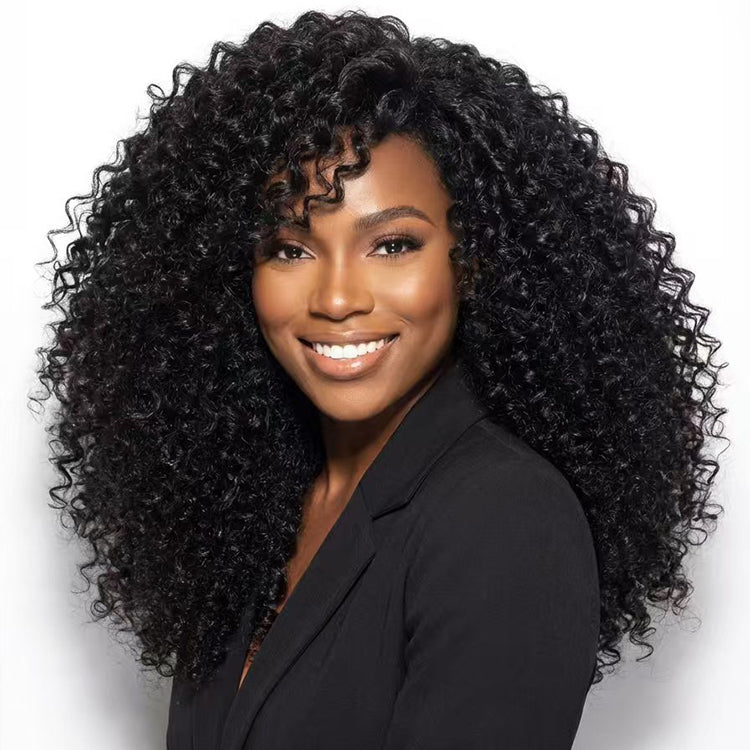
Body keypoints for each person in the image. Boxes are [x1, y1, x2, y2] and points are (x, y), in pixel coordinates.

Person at [30, 9, 727, 750]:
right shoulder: (254, 507)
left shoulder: (506, 520)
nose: (336, 299)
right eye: (291, 249)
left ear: (472, 261)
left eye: (392, 245)